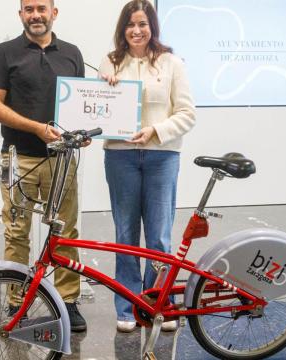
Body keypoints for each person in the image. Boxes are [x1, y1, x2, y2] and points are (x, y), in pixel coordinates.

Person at [0, 0, 87, 332]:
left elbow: (82, 106)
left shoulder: (72, 52)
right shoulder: (4, 52)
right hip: (19, 157)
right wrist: (36, 128)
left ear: (54, 13)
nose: (36, 15)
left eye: (42, 8)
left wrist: (81, 133)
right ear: (21, 15)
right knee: (17, 232)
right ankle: (18, 303)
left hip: (62, 160)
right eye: (29, 9)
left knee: (66, 232)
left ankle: (69, 302)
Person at [98, 0, 196, 333]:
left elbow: (187, 114)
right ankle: (127, 306)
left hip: (161, 157)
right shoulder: (110, 62)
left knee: (159, 239)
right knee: (125, 236)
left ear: (152, 26)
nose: (136, 30)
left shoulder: (171, 63)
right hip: (120, 156)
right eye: (130, 24)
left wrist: (156, 131)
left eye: (142, 23)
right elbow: (99, 109)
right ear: (122, 29)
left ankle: (159, 304)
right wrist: (102, 86)